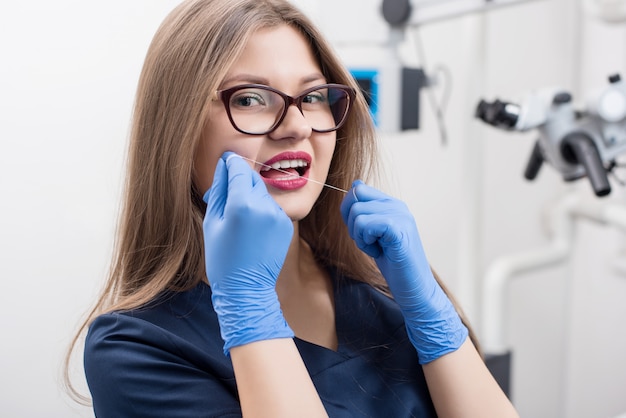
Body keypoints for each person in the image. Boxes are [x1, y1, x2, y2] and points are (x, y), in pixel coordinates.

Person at [64, 0, 520, 416]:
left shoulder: (385, 292)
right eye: (249, 99)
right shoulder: (135, 350)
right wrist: (248, 305)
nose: (296, 126)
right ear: (177, 132)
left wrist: (435, 320)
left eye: (313, 96)